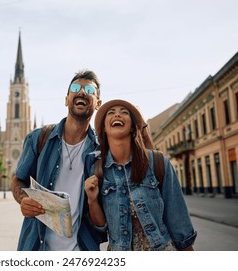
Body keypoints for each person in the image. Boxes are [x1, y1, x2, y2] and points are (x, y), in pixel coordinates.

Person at [11, 70, 106, 251]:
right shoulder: (38, 139)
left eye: (89, 90)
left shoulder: (102, 150)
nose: (81, 92)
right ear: (66, 99)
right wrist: (23, 199)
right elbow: (18, 179)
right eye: (76, 88)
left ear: (98, 103)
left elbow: (103, 217)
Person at [85, 99, 197, 251]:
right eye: (111, 113)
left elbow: (178, 219)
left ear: (132, 126)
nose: (117, 115)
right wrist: (92, 200)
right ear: (104, 128)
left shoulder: (157, 162)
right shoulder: (97, 170)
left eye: (124, 112)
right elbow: (101, 226)